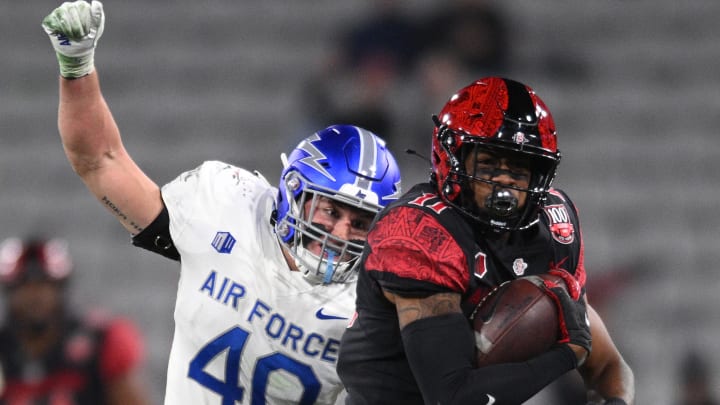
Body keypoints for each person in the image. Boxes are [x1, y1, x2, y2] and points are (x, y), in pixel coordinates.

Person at [41, 1, 402, 404]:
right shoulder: (228, 206)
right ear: (295, 193)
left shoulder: (377, 303)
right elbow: (98, 160)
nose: (339, 232)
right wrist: (77, 67)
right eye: (331, 211)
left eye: (360, 222)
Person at [337, 77, 635, 404]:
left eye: (519, 169)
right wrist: (567, 355)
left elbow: (608, 367)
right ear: (452, 158)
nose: (505, 181)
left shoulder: (552, 224)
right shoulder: (418, 232)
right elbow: (453, 397)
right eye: (489, 163)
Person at [0, 237, 149, 404]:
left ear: (61, 289)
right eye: (25, 286)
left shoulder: (99, 342)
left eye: (45, 285)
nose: (36, 296)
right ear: (9, 291)